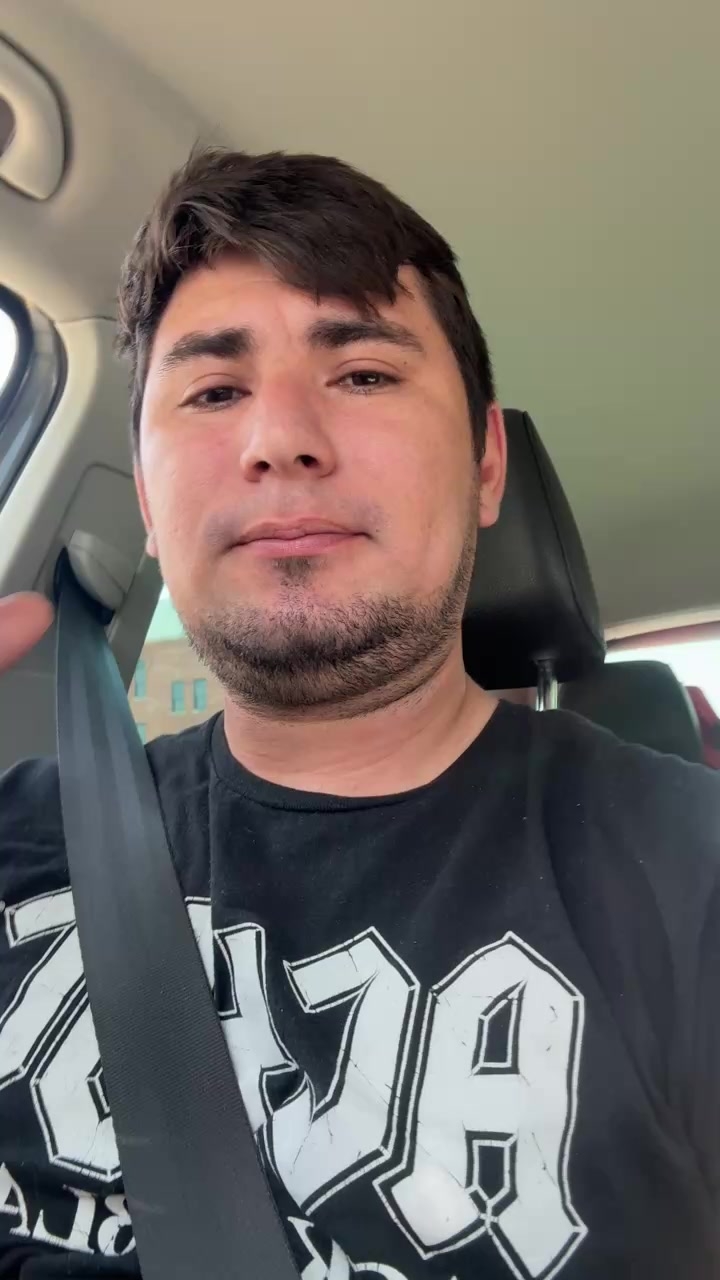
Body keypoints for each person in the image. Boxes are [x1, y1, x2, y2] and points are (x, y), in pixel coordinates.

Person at [0, 147, 719, 1280]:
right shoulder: (19, 835)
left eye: (366, 374)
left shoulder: (690, 873)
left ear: (487, 463)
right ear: (145, 494)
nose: (279, 438)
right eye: (215, 392)